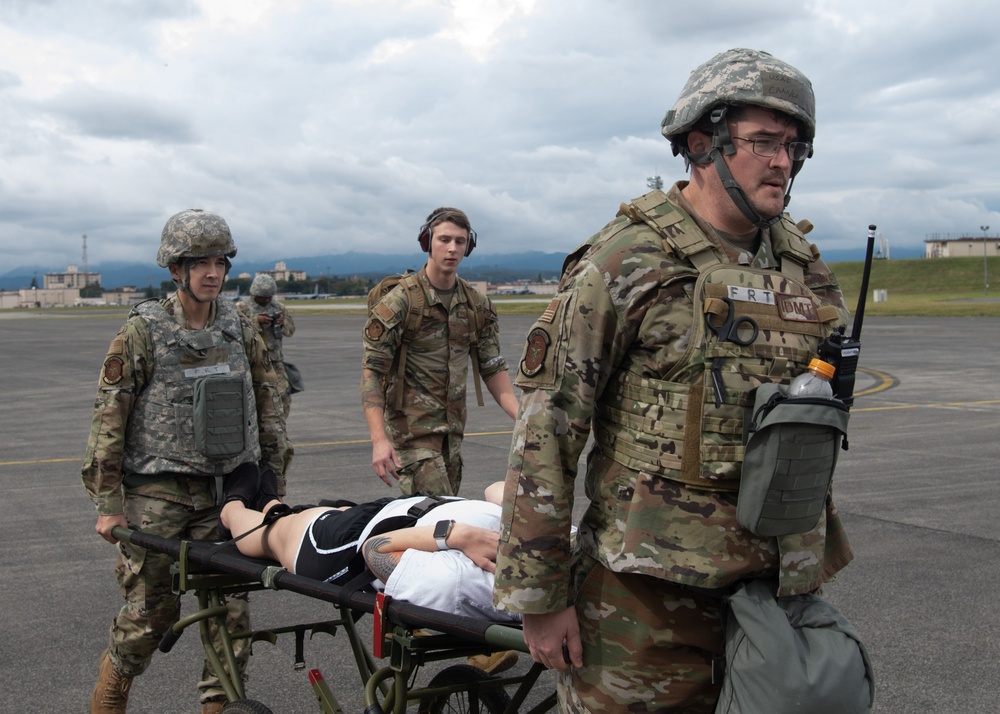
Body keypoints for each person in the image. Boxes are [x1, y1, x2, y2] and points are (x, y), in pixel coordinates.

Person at [492, 48, 854, 713]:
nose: (783, 162)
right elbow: (548, 426)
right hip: (642, 602)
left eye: (794, 147)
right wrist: (538, 598)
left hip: (772, 593)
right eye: (764, 143)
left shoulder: (805, 269)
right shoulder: (629, 259)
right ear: (702, 144)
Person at [82, 209, 294, 714]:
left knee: (230, 611)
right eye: (199, 262)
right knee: (150, 614)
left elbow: (270, 400)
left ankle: (220, 706)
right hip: (158, 492)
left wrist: (272, 483)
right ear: (175, 269)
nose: (212, 272)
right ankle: (113, 686)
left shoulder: (241, 325)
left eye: (219, 261)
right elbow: (110, 417)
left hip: (227, 494)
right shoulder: (143, 331)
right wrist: (108, 503)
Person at [218, 473, 521, 626]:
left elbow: (376, 550)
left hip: (347, 545)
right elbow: (494, 490)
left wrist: (457, 534)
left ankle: (232, 508)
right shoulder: (565, 550)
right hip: (408, 508)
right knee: (312, 515)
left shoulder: (473, 587)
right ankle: (272, 502)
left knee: (275, 535)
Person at [361, 207, 519, 497]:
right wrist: (378, 440)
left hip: (452, 436)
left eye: (460, 241)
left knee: (439, 524)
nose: (452, 248)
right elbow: (373, 372)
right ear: (427, 242)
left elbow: (492, 366)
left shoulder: (476, 305)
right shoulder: (400, 303)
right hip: (412, 435)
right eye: (444, 239)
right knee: (441, 515)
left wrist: (521, 417)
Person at [237, 274, 298, 423]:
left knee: (283, 396)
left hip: (275, 361)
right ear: (254, 294)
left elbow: (290, 331)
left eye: (269, 297)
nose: (266, 300)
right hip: (251, 361)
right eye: (262, 297)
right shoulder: (242, 308)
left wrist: (282, 323)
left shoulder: (279, 307)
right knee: (252, 396)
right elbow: (235, 331)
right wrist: (256, 321)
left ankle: (279, 425)